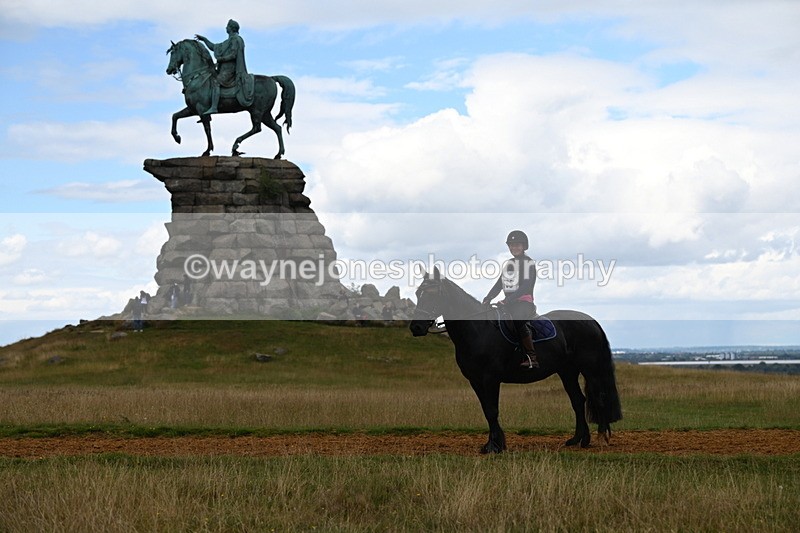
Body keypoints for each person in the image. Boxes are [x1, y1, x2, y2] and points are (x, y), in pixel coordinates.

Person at [482, 230, 539, 368]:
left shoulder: (528, 263)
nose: (514, 248)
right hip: (509, 303)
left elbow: (525, 287)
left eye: (517, 245)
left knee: (518, 320)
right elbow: (499, 284)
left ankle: (532, 356)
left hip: (524, 303)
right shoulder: (509, 264)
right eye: (512, 245)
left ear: (524, 246)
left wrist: (507, 300)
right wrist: (488, 298)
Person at [195, 19, 254, 114]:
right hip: (223, 69)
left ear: (231, 28)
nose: (226, 27)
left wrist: (221, 59)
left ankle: (214, 107)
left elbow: (233, 55)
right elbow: (214, 47)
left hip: (231, 69)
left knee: (215, 82)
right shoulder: (228, 41)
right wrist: (204, 39)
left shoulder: (236, 39)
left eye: (227, 26)